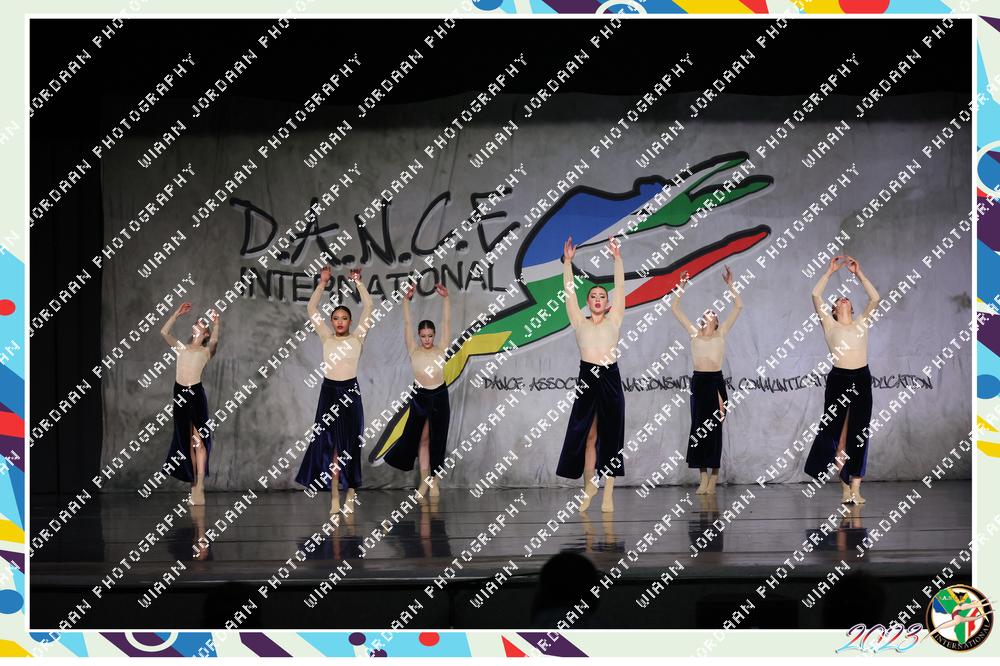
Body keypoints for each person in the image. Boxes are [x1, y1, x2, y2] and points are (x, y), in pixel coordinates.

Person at [555, 236, 626, 513]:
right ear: (588, 302)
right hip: (587, 378)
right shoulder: (578, 321)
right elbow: (569, 293)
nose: (597, 299)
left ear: (607, 303)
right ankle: (589, 487)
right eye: (593, 296)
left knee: (611, 437)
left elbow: (620, 288)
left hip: (610, 379)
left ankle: (608, 493)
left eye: (602, 297)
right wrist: (568, 263)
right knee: (588, 435)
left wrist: (617, 259)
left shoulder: (614, 319)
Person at [295, 265, 373, 515]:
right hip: (329, 393)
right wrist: (322, 283)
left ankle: (351, 493)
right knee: (331, 449)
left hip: (350, 393)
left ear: (350, 321)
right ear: (331, 321)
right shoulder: (326, 337)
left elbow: (369, 307)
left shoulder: (358, 337)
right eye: (336, 318)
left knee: (350, 446)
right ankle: (335, 497)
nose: (340, 322)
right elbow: (311, 309)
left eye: (344, 318)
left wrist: (358, 282)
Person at [804, 255, 879, 504]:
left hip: (862, 378)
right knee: (837, 434)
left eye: (846, 298)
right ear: (834, 310)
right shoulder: (829, 325)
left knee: (859, 433)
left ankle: (856, 487)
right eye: (837, 300)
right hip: (839, 379)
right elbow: (816, 295)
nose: (843, 299)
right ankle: (845, 487)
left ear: (852, 308)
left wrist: (859, 274)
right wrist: (829, 272)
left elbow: (875, 298)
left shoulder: (862, 322)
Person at [670, 266, 742, 495]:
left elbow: (738, 306)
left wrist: (730, 285)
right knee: (699, 430)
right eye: (705, 313)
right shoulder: (694, 334)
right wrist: (682, 285)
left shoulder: (721, 333)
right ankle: (702, 477)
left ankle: (714, 477)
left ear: (717, 322)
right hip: (699, 384)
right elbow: (674, 308)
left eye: (712, 314)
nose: (707, 315)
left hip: (715, 383)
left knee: (715, 431)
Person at [383, 282, 452, 499]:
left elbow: (447, 321)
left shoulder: (442, 348)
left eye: (430, 335)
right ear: (419, 336)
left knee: (438, 440)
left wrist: (446, 298)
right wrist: (406, 300)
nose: (427, 339)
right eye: (423, 336)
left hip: (439, 396)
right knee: (421, 439)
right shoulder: (413, 349)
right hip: (420, 397)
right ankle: (424, 481)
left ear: (434, 335)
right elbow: (407, 322)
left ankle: (435, 481)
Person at [159, 303, 220, 505]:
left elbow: (215, 341)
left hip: (195, 394)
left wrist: (216, 323)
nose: (198, 323)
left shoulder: (206, 351)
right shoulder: (181, 348)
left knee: (199, 440)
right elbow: (164, 332)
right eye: (197, 322)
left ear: (205, 333)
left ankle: (200, 486)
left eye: (202, 324)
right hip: (179, 394)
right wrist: (177, 313)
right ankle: (193, 486)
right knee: (187, 442)